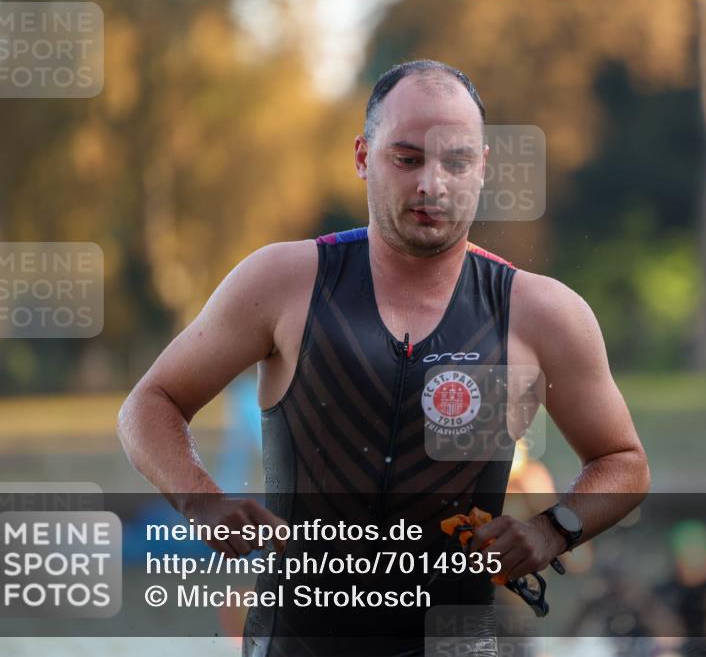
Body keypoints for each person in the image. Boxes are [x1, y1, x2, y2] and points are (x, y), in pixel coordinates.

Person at [117, 59, 650, 656]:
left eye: (456, 162)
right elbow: (148, 405)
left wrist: (552, 531)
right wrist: (201, 500)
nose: (432, 185)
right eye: (407, 158)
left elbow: (623, 461)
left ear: (483, 169)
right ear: (363, 157)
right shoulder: (284, 282)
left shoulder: (542, 314)